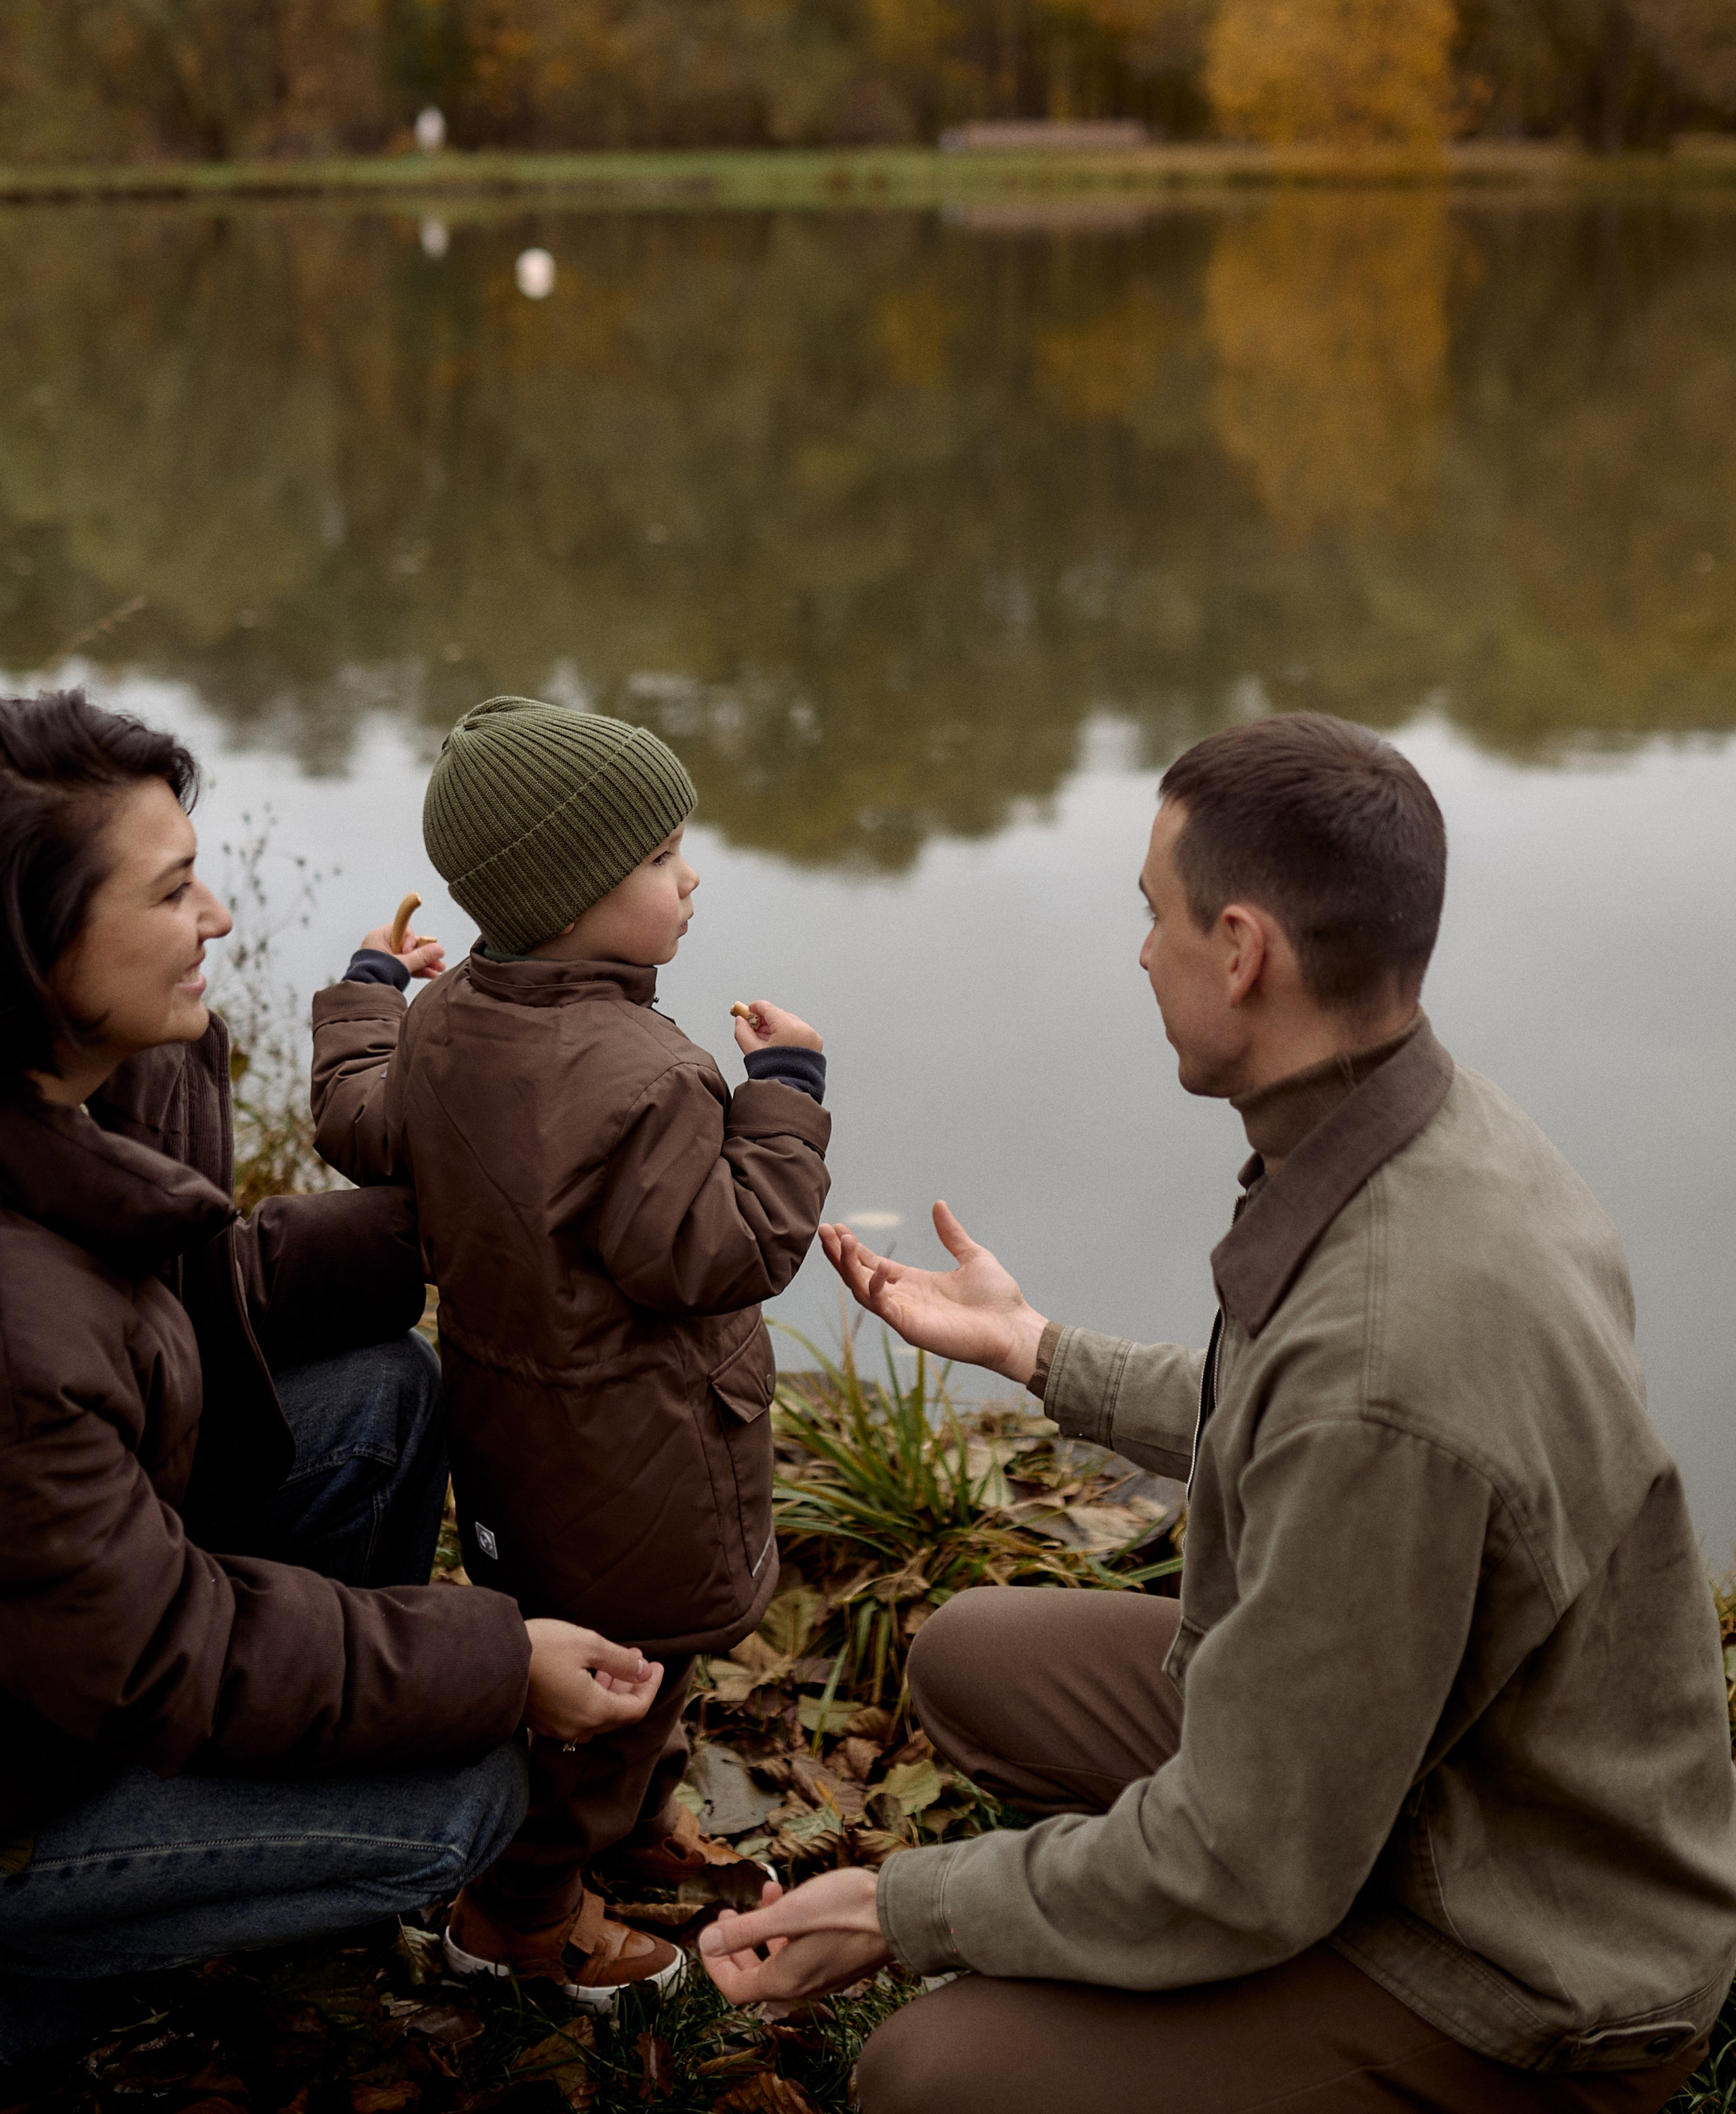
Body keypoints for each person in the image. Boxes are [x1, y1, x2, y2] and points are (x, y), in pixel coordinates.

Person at [700, 711, 1736, 2113]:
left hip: (1517, 1951)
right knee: (973, 1658)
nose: (1141, 951)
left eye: (1156, 914)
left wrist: (901, 1906)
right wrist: (1034, 1347)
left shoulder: (1390, 1355)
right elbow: (1290, 1413)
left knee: (931, 2069)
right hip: (1409, 1768)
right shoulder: (1439, 1126)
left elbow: (1247, 1861)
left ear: (1241, 949)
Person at [0, 689, 667, 2075]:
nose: (223, 921)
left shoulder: (105, 1070)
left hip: (68, 1625)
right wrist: (495, 1659)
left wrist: (446, 1230)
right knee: (460, 1791)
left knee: (380, 1386)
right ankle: (45, 1953)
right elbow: (162, 1648)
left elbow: (173, 1299)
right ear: (29, 939)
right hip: (35, 1752)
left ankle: (253, 1839)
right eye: (175, 889)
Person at [310, 695, 832, 2005]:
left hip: (518, 1446)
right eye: (661, 859)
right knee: (620, 1693)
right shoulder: (645, 1075)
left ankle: (631, 1830)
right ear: (575, 893)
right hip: (643, 1461)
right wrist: (789, 1098)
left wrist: (371, 988)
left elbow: (357, 1122)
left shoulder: (448, 1025)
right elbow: (726, 1253)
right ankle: (523, 1917)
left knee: (606, 1672)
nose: (689, 874)